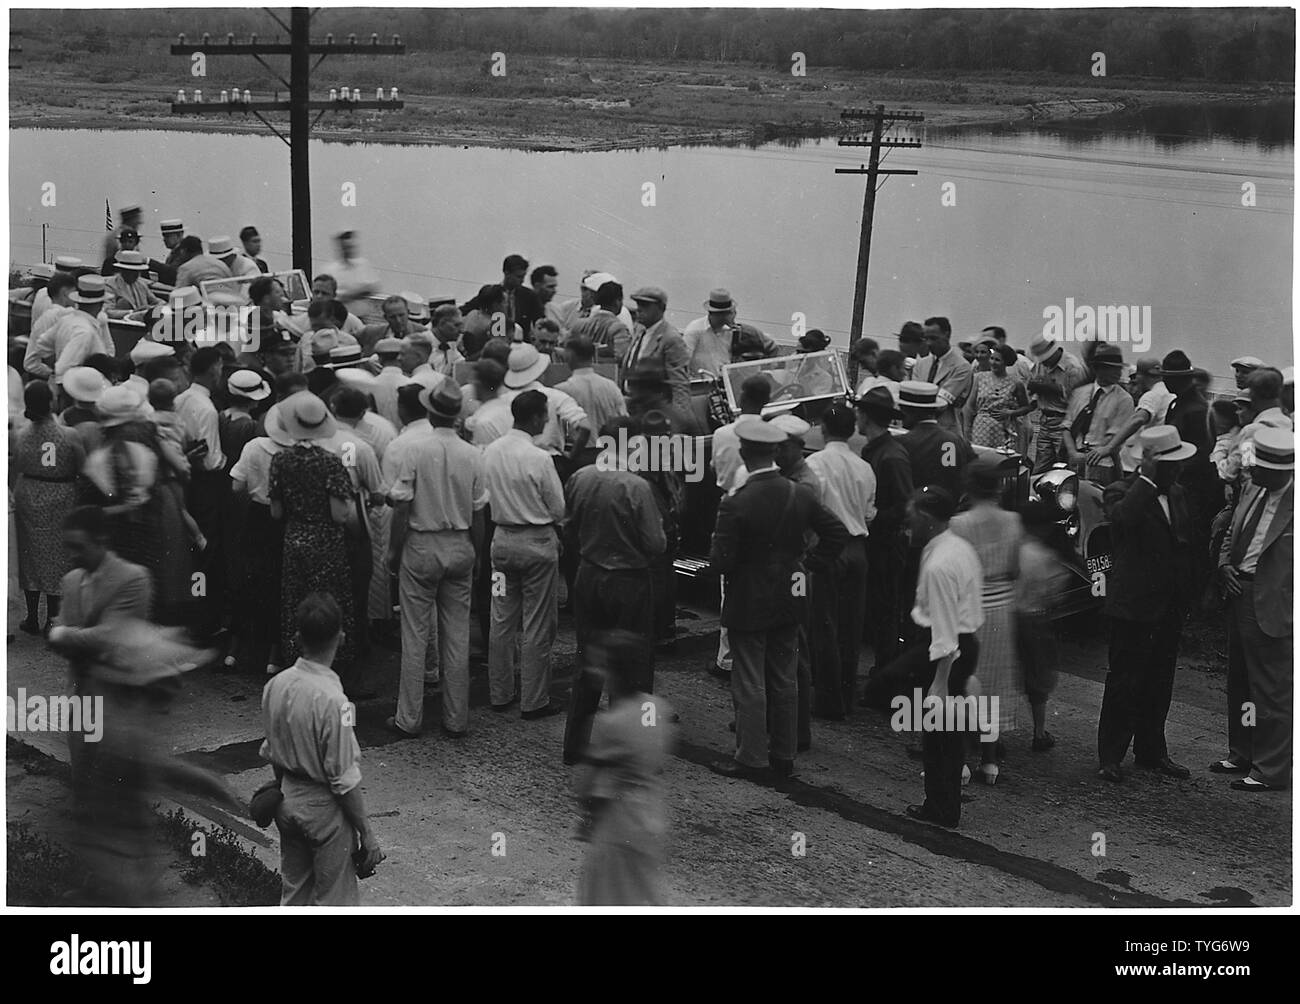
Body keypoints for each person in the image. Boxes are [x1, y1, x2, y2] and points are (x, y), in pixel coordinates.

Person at [707, 419, 850, 779]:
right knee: (785, 676)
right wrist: (807, 566)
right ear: (774, 451)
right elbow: (835, 534)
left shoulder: (735, 503)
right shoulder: (798, 492)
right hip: (791, 594)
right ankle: (784, 755)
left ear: (743, 452)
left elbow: (721, 561)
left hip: (749, 598)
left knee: (750, 679)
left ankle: (751, 757)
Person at [260, 592, 383, 905]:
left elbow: (272, 750)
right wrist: (366, 833)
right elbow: (344, 780)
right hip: (324, 811)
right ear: (341, 637)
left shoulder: (275, 685)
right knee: (334, 903)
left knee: (294, 897)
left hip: (287, 802)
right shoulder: (335, 701)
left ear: (298, 637)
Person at [561, 418, 667, 763]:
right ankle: (631, 746)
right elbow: (656, 543)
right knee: (635, 663)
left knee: (587, 660)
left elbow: (569, 528)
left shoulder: (580, 477)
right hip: (629, 580)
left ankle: (575, 745)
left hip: (589, 575)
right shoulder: (637, 487)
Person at [1096, 425, 1198, 783]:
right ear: (1154, 465)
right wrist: (1150, 482)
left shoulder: (1179, 493)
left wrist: (1186, 595)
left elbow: (1184, 545)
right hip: (1134, 606)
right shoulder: (1121, 491)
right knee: (1125, 681)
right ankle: (1110, 755)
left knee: (1159, 681)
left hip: (1167, 606)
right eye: (1171, 465)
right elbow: (1122, 519)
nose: (1179, 470)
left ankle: (1152, 750)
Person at [387, 382, 486, 738]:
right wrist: (476, 553)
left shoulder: (414, 450)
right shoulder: (473, 454)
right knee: (457, 635)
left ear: (429, 412)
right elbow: (478, 514)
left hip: (422, 544)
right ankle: (456, 717)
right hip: (460, 544)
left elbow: (401, 506)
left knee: (415, 635)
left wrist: (394, 551)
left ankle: (409, 718)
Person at [571, 629, 675, 906]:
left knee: (606, 895)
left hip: (617, 822)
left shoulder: (609, 723)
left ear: (614, 674)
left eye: (601, 666)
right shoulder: (658, 708)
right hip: (650, 813)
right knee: (641, 892)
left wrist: (586, 814)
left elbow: (587, 784)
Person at [1215, 426, 1293, 792]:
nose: (1252, 471)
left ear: (1284, 470)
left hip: (1274, 602)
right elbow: (1232, 530)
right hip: (1239, 590)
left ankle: (1272, 769)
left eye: (1261, 467)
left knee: (1272, 688)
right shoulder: (1253, 486)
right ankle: (1242, 751)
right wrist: (1225, 564)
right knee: (1241, 681)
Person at [903, 487, 984, 828]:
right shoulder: (957, 546)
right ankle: (943, 801)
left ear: (926, 518)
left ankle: (941, 807)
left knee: (939, 737)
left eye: (911, 518)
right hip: (963, 645)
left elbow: (945, 632)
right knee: (946, 734)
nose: (907, 525)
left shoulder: (939, 563)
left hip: (947, 650)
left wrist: (940, 682)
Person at [482, 390, 566, 718]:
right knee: (537, 622)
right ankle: (534, 699)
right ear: (533, 417)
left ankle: (500, 692)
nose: (547, 420)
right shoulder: (539, 458)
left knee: (501, 617)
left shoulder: (489, 452)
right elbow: (558, 508)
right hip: (537, 547)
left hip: (501, 543)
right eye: (545, 415)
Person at [269, 392, 358, 680]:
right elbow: (339, 514)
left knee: (295, 602)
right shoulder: (331, 463)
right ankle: (334, 665)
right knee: (330, 603)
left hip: (294, 538)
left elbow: (276, 512)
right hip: (327, 541)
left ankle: (296, 662)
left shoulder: (280, 460)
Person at [950, 455, 1024, 785]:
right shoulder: (1013, 521)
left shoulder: (959, 524)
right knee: (994, 683)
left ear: (969, 487)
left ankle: (961, 760)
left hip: (970, 605)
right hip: (1001, 607)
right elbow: (1015, 569)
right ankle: (990, 762)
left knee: (964, 679)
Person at [806, 402, 877, 717]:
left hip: (827, 547)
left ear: (823, 429)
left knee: (824, 625)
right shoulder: (864, 467)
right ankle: (846, 696)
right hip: (858, 548)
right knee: (852, 627)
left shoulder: (815, 463)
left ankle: (828, 700)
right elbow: (869, 513)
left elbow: (812, 509)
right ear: (851, 431)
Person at [705, 375, 771, 680]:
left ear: (740, 397)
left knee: (729, 585)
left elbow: (715, 470)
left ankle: (726, 657)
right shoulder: (775, 431)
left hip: (728, 505)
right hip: (764, 509)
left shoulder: (721, 432)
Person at [12, 381, 84, 635]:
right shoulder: (69, 434)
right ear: (51, 402)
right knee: (57, 555)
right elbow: (81, 466)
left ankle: (32, 617)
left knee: (31, 555)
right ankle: (53, 618)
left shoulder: (19, 434)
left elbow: (16, 463)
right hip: (61, 495)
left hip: (29, 494)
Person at [856, 386, 912, 675]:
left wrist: (876, 517)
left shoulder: (891, 456)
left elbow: (906, 507)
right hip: (876, 543)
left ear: (866, 416)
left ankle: (886, 675)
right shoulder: (878, 451)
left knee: (885, 612)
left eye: (860, 412)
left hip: (886, 546)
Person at [1017, 499, 1067, 752]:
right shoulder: (1046, 557)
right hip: (1035, 620)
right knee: (1038, 678)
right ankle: (1038, 732)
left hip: (1009, 617)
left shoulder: (1012, 551)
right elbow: (1055, 593)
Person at [1062, 344, 1135, 486]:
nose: (1117, 372)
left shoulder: (1124, 399)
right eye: (1111, 367)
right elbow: (1066, 426)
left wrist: (1091, 455)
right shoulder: (1080, 393)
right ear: (1097, 369)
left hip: (1102, 463)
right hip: (1075, 460)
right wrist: (1072, 453)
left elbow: (1115, 437)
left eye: (1118, 368)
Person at [897, 380, 975, 500]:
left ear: (909, 411)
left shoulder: (901, 443)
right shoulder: (956, 441)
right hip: (949, 510)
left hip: (915, 509)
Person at [623, 286, 691, 419]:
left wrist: (679, 420)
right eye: (638, 304)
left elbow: (679, 383)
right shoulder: (640, 331)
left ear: (661, 308)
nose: (639, 309)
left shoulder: (671, 338)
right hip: (631, 405)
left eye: (645, 305)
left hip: (654, 413)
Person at [556, 334, 628, 455]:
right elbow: (623, 420)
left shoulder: (562, 390)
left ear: (570, 355)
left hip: (576, 453)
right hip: (608, 453)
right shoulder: (611, 386)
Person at [1025, 336, 1088, 473]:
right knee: (1041, 467)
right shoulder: (1040, 365)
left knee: (1064, 467)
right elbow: (1032, 387)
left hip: (1064, 421)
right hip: (1045, 420)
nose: (1044, 363)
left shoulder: (1072, 367)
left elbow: (1078, 401)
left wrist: (1051, 387)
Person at [682, 288, 777, 374]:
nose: (735, 315)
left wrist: (767, 373)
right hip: (702, 386)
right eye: (732, 313)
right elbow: (682, 362)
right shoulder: (695, 330)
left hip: (725, 385)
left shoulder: (735, 332)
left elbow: (771, 345)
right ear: (721, 315)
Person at [914, 317, 974, 435]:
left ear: (947, 335)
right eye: (925, 338)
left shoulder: (962, 367)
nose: (929, 343)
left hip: (946, 434)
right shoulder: (921, 364)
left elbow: (941, 403)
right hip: (918, 430)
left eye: (934, 338)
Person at [51, 276, 116, 386]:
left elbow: (109, 350)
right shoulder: (84, 331)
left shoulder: (66, 321)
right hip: (78, 388)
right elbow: (63, 370)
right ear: (100, 305)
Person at [966, 343, 1031, 449]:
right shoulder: (979, 378)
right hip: (981, 428)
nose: (993, 363)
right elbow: (969, 406)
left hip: (1004, 430)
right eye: (992, 359)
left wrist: (1011, 413)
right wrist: (967, 431)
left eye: (997, 360)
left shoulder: (1015, 382)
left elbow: (1026, 407)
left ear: (1006, 362)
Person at [568, 280, 633, 366]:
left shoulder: (579, 324)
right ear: (617, 302)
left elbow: (568, 351)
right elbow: (622, 359)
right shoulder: (619, 328)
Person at [322, 231, 382, 320]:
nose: (348, 250)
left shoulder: (363, 264)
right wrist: (358, 291)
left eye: (350, 247)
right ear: (340, 248)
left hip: (362, 316)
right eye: (345, 248)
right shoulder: (330, 270)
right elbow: (330, 295)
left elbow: (373, 288)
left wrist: (349, 295)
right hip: (340, 317)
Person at [104, 250, 161, 317]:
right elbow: (107, 311)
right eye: (131, 272)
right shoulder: (110, 285)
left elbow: (156, 301)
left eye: (138, 272)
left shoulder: (141, 284)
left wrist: (152, 309)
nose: (136, 275)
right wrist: (132, 312)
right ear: (122, 270)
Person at [500, 253, 543, 335]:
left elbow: (540, 321)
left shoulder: (530, 296)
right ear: (507, 273)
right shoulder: (492, 294)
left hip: (522, 343)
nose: (522, 280)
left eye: (523, 276)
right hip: (497, 341)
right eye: (519, 277)